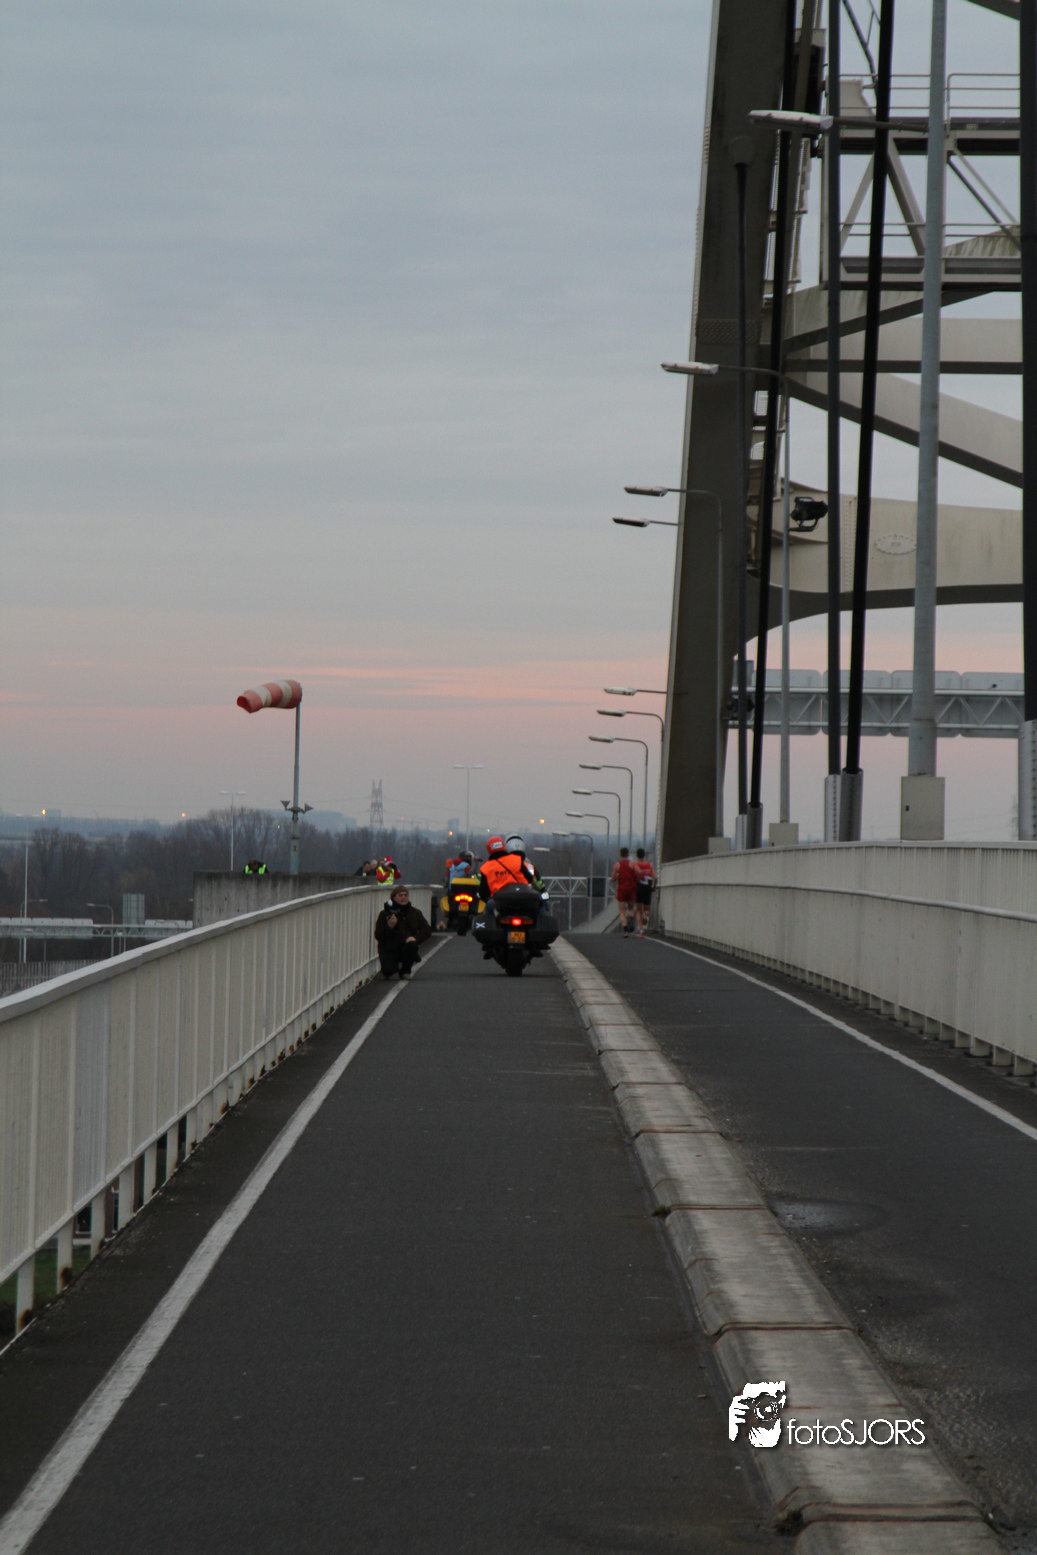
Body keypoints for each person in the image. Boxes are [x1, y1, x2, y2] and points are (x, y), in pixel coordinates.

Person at [374, 884, 431, 979]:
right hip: (389, 948)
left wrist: (415, 938)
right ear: (393, 898)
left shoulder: (415, 913)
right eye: (400, 895)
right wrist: (389, 927)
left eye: (405, 895)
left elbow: (427, 930)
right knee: (389, 971)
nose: (403, 897)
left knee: (412, 945)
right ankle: (390, 968)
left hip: (405, 946)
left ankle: (406, 970)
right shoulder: (385, 914)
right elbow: (378, 935)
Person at [478, 835, 538, 900]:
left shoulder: (485, 868)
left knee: (489, 905)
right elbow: (529, 878)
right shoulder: (516, 859)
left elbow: (483, 893)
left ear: (489, 850)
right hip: (522, 897)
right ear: (504, 847)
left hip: (500, 901)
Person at [610, 847, 638, 935]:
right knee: (631, 908)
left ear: (620, 854)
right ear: (628, 854)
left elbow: (613, 879)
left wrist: (617, 876)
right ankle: (631, 918)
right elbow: (638, 874)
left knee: (622, 911)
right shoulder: (633, 864)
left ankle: (626, 930)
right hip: (631, 889)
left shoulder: (617, 865)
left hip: (622, 890)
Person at [633, 847, 657, 936]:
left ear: (637, 856)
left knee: (638, 911)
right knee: (646, 909)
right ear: (644, 855)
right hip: (648, 888)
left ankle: (641, 931)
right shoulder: (650, 865)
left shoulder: (636, 865)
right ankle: (645, 917)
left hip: (639, 888)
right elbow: (656, 877)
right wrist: (654, 887)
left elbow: (634, 878)